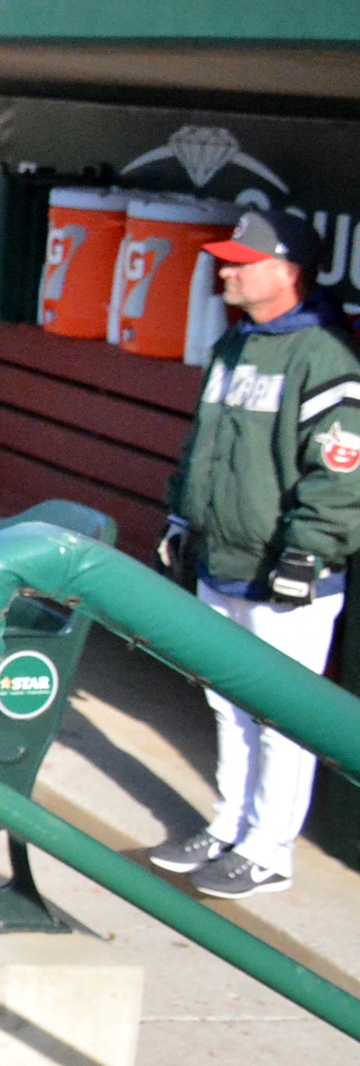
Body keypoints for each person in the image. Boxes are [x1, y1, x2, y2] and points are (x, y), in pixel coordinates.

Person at [151, 210, 360, 900]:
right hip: (225, 558)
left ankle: (268, 850)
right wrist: (183, 514)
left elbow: (343, 474)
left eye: (243, 261)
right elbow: (202, 447)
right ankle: (229, 826)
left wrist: (308, 553)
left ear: (288, 270)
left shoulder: (326, 356)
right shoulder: (235, 343)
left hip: (287, 571)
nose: (227, 271)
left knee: (279, 716)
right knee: (226, 704)